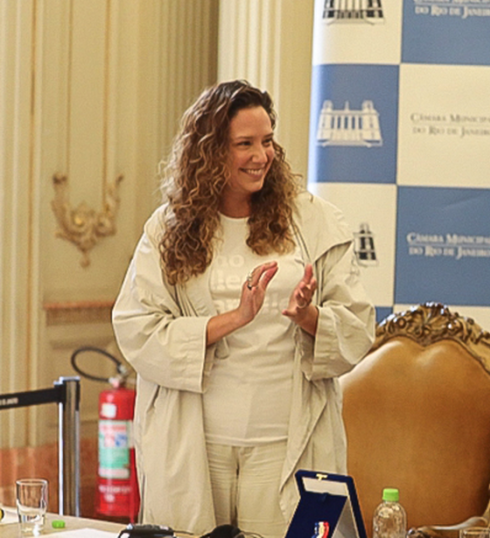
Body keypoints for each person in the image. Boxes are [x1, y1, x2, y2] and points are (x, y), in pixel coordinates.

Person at [112, 80, 376, 537]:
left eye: (268, 141)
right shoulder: (168, 228)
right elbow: (137, 328)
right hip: (196, 442)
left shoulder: (312, 221)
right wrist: (231, 320)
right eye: (245, 144)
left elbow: (357, 328)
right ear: (210, 152)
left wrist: (306, 315)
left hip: (284, 442)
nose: (262, 155)